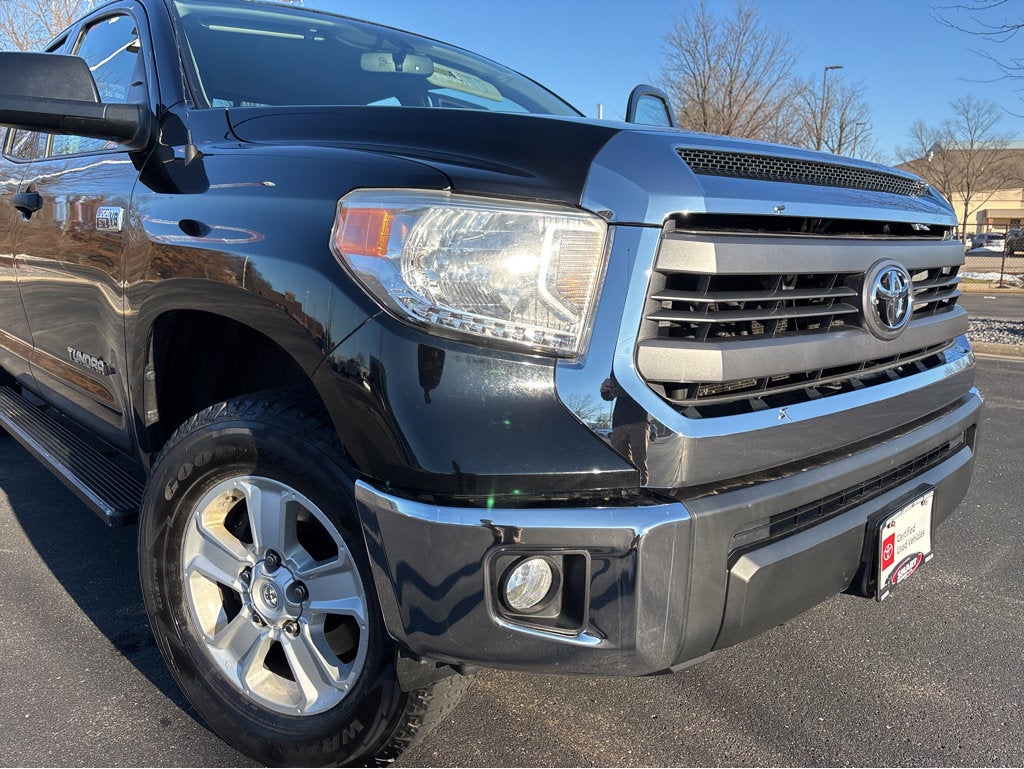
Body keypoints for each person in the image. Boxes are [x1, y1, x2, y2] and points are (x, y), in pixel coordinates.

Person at [600, 373, 651, 485]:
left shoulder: (641, 365)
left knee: (639, 458)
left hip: (639, 419)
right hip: (619, 421)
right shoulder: (617, 370)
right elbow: (608, 396)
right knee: (621, 458)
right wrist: (605, 389)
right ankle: (626, 485)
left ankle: (641, 487)